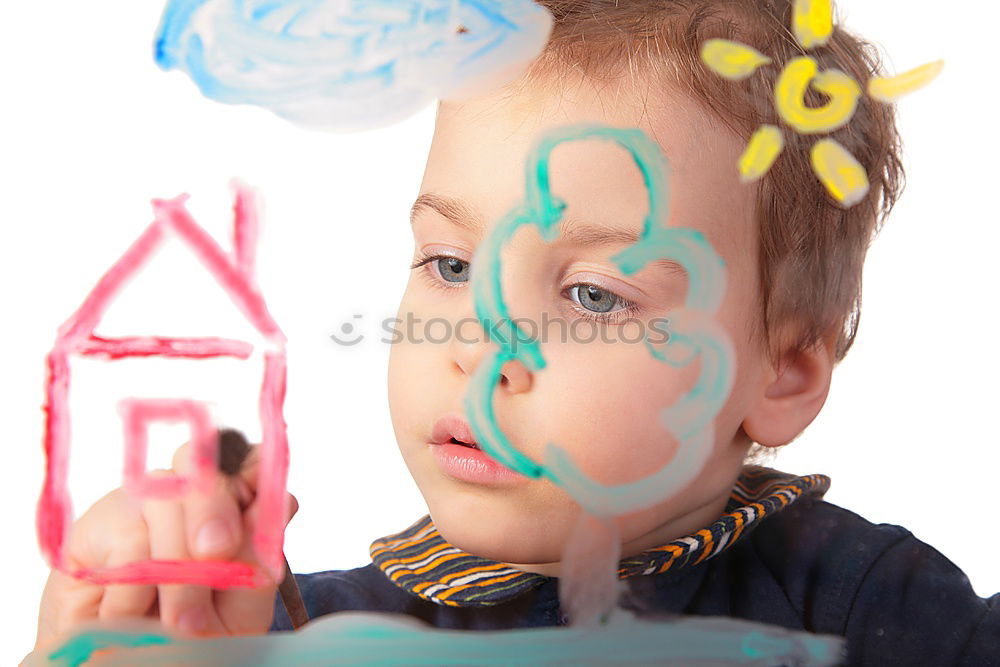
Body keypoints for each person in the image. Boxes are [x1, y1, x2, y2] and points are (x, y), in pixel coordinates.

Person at [34, 1, 998, 664]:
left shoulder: (870, 609)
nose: (480, 346)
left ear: (783, 368)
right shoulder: (288, 632)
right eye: (451, 267)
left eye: (590, 295)